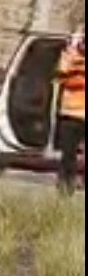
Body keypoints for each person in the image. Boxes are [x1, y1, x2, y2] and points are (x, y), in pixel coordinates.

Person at [55, 25, 85, 195]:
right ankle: (65, 186)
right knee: (68, 155)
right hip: (70, 115)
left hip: (76, 114)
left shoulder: (73, 60)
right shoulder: (70, 58)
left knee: (70, 155)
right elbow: (60, 76)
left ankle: (69, 184)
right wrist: (70, 51)